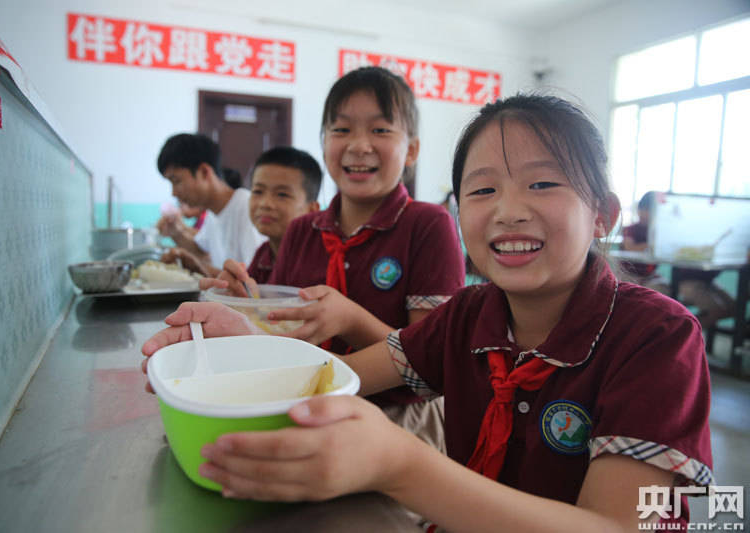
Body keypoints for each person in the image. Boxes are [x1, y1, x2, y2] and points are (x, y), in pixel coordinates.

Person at [141, 94, 713, 531]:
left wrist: (400, 465)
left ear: (604, 214)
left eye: (542, 183)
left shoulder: (658, 338)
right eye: (482, 191)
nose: (509, 211)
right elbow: (337, 377)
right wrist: (248, 342)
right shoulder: (469, 315)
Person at [207, 66, 466, 450]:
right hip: (299, 405)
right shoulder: (301, 229)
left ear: (411, 149)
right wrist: (246, 299)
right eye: (341, 130)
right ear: (324, 141)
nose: (359, 145)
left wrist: (350, 320)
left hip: (396, 424)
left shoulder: (428, 225)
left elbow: (435, 365)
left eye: (380, 130)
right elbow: (280, 327)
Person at [621, 191, 734, 330]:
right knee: (659, 297)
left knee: (669, 298)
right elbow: (630, 247)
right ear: (640, 210)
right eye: (650, 211)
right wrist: (658, 242)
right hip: (629, 275)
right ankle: (678, 329)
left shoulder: (663, 230)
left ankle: (680, 329)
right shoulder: (632, 229)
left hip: (651, 276)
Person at [155, 133, 265, 277]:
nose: (174, 193)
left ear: (204, 172)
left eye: (176, 181)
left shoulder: (245, 207)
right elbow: (200, 250)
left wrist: (196, 267)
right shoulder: (213, 212)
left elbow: (253, 280)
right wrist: (176, 233)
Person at [223, 146, 322, 285]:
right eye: (258, 191)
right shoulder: (264, 254)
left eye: (282, 194)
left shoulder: (317, 260)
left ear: (312, 210)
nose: (265, 204)